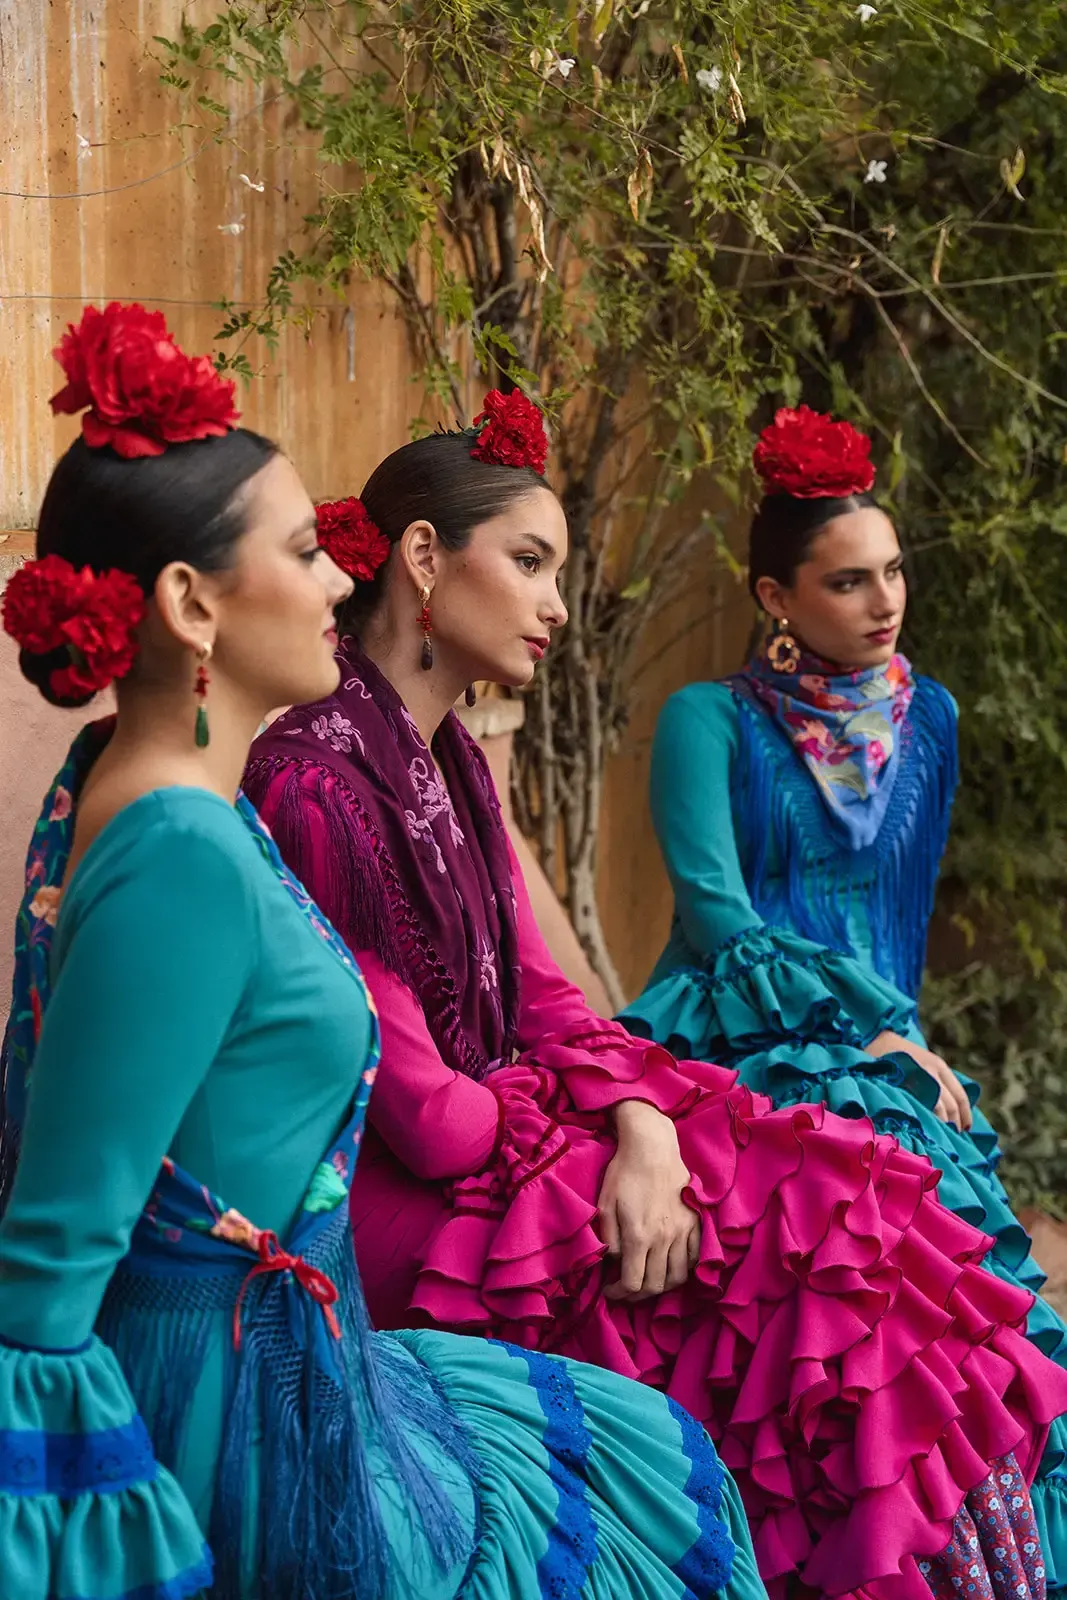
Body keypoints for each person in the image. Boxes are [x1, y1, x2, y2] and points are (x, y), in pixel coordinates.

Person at [245, 391, 1067, 1600]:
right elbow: (427, 1113)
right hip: (408, 1205)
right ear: (424, 559)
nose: (557, 605)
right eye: (529, 563)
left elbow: (540, 992)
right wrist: (580, 1126)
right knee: (798, 1294)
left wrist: (639, 1121)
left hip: (513, 1149)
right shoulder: (313, 781)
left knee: (860, 1221)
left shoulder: (449, 757)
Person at [0, 305, 766, 1600]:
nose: (331, 577)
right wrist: (99, 1548)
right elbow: (49, 1268)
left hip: (309, 1351)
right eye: (301, 549)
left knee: (643, 1454)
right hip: (241, 1421)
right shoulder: (187, 847)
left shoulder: (181, 795)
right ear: (190, 605)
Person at [621, 406, 1067, 1371]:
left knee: (979, 1338)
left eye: (893, 570)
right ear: (776, 597)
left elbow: (897, 919)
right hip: (738, 1035)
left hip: (887, 1046)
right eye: (848, 580)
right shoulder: (707, 721)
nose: (884, 600)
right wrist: (855, 1034)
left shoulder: (930, 717)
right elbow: (715, 916)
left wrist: (901, 1043)